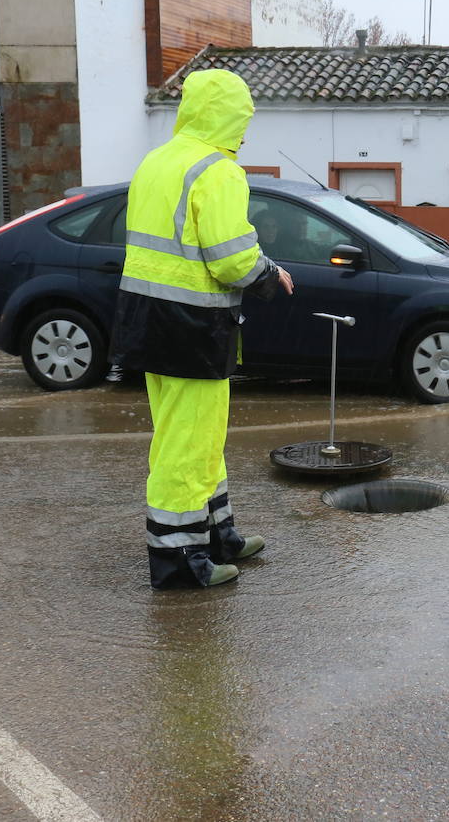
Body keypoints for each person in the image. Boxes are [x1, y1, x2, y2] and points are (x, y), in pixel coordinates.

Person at [111, 68, 294, 590]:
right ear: (226, 116)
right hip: (191, 324)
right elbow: (231, 258)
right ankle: (179, 560)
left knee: (196, 437)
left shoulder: (159, 160)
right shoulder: (218, 171)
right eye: (243, 120)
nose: (244, 132)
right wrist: (270, 274)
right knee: (187, 445)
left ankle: (218, 532)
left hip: (148, 319)